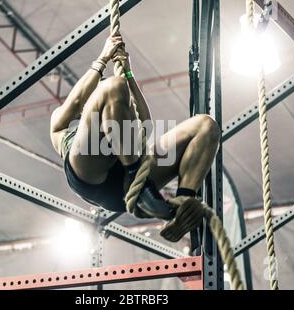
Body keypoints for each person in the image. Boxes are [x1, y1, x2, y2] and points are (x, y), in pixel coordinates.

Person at [50, 36, 220, 242]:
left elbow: (145, 123)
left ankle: (183, 203)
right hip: (90, 174)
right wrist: (102, 59)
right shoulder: (61, 125)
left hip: (127, 178)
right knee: (113, 86)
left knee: (205, 126)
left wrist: (129, 73)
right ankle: (137, 180)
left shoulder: (122, 125)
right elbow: (77, 101)